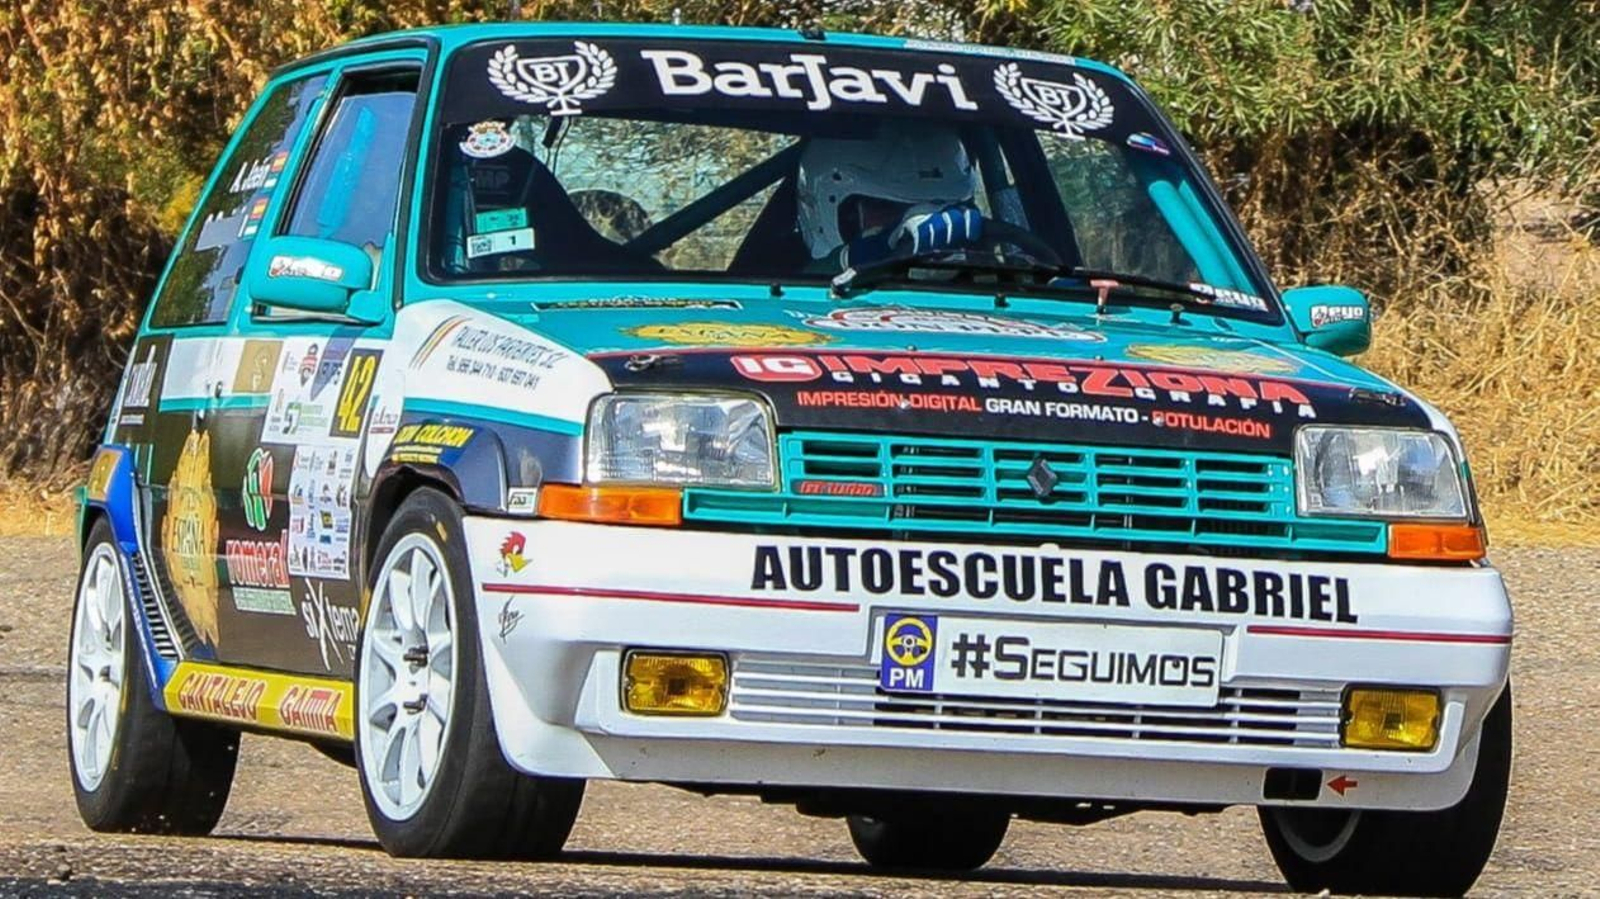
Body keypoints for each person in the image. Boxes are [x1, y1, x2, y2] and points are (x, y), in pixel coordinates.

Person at [795, 120, 987, 273]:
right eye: (890, 208)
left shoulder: (1002, 285)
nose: (922, 220)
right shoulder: (776, 293)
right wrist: (879, 250)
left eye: (945, 207)